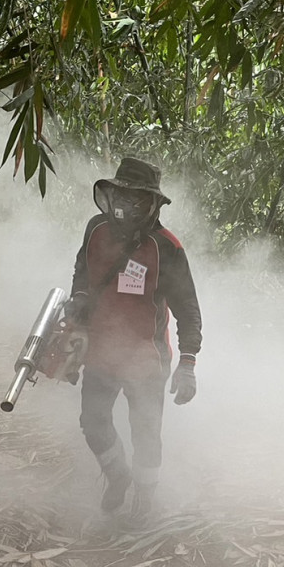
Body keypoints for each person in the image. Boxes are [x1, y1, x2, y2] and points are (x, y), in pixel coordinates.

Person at [66, 157, 202, 521]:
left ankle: (144, 498)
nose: (126, 205)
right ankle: (117, 475)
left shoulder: (167, 247)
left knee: (145, 432)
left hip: (146, 359)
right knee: (92, 421)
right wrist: (79, 298)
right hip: (100, 351)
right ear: (110, 195)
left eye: (137, 199)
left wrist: (187, 364)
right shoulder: (95, 229)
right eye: (122, 196)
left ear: (153, 203)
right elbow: (83, 271)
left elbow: (188, 310)